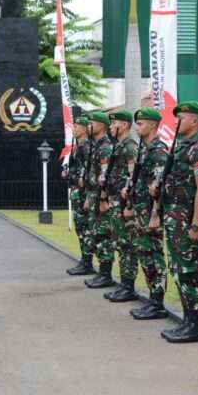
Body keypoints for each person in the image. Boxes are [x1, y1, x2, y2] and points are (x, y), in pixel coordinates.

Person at [159, 101, 198, 342]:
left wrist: (196, 224)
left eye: (182, 118)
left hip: (187, 219)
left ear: (195, 121)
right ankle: (187, 320)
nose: (176, 122)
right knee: (179, 269)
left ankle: (196, 324)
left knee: (191, 270)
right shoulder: (179, 148)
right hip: (174, 217)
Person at [125, 108, 169, 319]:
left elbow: (159, 187)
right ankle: (153, 299)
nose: (137, 127)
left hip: (151, 212)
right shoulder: (144, 149)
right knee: (145, 254)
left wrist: (155, 214)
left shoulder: (159, 151)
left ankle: (158, 302)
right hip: (140, 210)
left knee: (154, 256)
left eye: (141, 123)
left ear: (153, 125)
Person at [102, 110, 139, 300]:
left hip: (124, 201)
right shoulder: (119, 146)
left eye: (113, 123)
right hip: (115, 200)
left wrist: (128, 206)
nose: (110, 127)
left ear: (123, 125)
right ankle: (124, 284)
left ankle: (129, 286)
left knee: (127, 245)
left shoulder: (130, 147)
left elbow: (132, 177)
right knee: (120, 244)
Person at [83, 112, 116, 289]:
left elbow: (105, 175)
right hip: (95, 195)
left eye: (92, 123)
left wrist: (103, 198)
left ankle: (106, 274)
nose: (89, 126)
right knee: (97, 233)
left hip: (102, 198)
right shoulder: (97, 145)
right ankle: (102, 272)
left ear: (101, 126)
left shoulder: (104, 147)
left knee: (104, 236)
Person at [66, 116, 97, 276]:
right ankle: (85, 260)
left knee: (85, 228)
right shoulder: (78, 146)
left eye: (77, 126)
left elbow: (87, 172)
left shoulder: (86, 147)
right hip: (77, 191)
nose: (74, 129)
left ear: (85, 129)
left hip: (83, 193)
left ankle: (87, 262)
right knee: (80, 227)